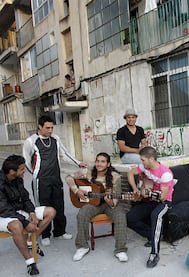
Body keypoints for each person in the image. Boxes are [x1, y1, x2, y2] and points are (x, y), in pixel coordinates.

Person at [23, 115, 87, 247]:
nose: (50, 130)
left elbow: (65, 154)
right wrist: (36, 174)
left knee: (59, 205)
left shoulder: (55, 139)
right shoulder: (31, 141)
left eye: (52, 127)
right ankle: (45, 234)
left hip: (56, 178)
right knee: (42, 207)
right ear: (39, 126)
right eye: (47, 128)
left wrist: (78, 163)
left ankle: (60, 231)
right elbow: (26, 161)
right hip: (41, 181)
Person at [66, 152, 129, 262]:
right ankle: (82, 247)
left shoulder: (115, 177)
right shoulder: (88, 172)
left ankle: (120, 250)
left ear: (108, 164)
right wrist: (76, 190)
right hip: (93, 203)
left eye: (103, 161)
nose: (99, 164)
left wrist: (110, 202)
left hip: (109, 203)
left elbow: (115, 199)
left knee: (120, 216)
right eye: (97, 161)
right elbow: (68, 177)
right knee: (82, 214)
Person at [0, 155, 56, 275]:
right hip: (3, 215)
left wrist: (31, 212)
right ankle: (30, 263)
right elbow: (4, 209)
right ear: (11, 171)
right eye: (21, 169)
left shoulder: (18, 179)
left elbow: (25, 198)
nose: (24, 170)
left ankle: (31, 240)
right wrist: (25, 222)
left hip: (18, 211)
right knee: (16, 225)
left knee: (50, 212)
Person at [126, 146, 174, 268]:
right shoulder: (144, 167)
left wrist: (147, 192)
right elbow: (131, 173)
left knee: (155, 215)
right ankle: (151, 235)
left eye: (143, 160)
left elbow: (163, 197)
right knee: (129, 218)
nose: (141, 163)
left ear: (151, 159)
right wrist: (136, 189)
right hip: (150, 200)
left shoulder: (165, 173)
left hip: (164, 202)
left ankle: (154, 253)